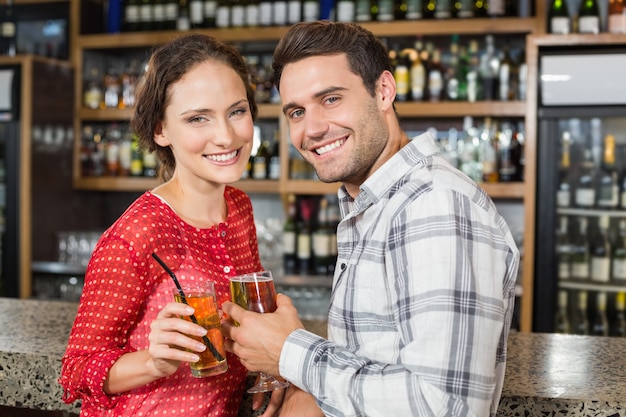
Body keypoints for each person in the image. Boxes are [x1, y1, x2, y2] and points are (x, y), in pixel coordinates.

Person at [221, 21, 520, 417]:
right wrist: (304, 377)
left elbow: (445, 407)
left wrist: (291, 352)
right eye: (296, 111)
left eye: (330, 99)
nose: (312, 129)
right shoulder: (373, 202)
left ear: (383, 91)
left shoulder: (433, 206)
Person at [59, 33, 280, 417]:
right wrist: (153, 362)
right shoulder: (138, 233)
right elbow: (75, 371)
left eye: (237, 111)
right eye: (198, 118)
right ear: (161, 130)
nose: (226, 135)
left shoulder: (238, 208)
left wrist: (274, 367)